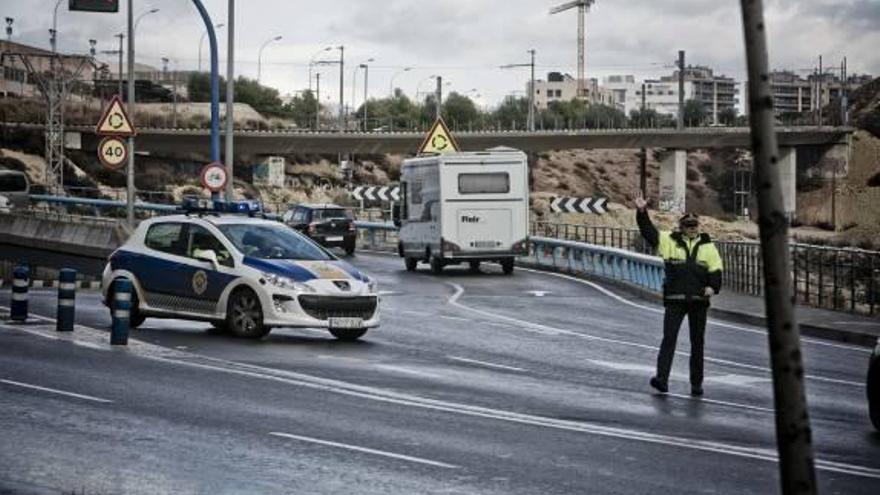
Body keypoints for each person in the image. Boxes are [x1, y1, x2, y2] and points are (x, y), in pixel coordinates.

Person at [634, 195, 723, 396]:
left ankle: (696, 384)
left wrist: (713, 287)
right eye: (688, 225)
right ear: (681, 227)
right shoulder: (668, 241)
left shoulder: (708, 247)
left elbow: (716, 269)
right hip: (675, 300)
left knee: (697, 344)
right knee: (669, 339)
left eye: (695, 225)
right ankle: (662, 379)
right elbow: (648, 232)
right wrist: (641, 212)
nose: (692, 228)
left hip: (699, 301)